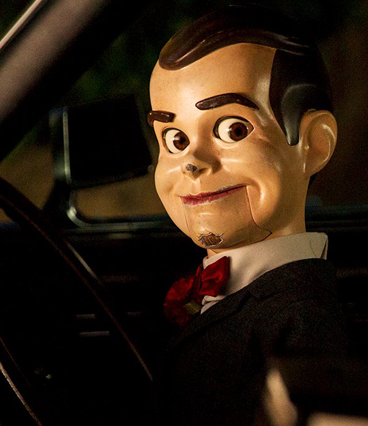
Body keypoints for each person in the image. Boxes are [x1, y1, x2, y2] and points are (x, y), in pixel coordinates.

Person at [147, 4, 348, 425]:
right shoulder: (225, 292)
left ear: (314, 144)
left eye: (233, 130)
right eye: (176, 140)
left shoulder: (301, 325)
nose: (192, 162)